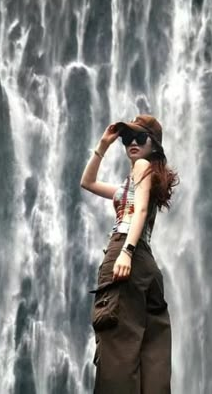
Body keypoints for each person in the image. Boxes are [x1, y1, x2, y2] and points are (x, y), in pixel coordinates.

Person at [81, 114, 179, 393]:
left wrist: (126, 251)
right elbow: (87, 183)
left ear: (154, 145)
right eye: (127, 139)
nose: (131, 143)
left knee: (118, 352)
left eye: (140, 138)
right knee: (152, 351)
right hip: (147, 267)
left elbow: (141, 211)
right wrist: (103, 145)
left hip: (127, 251)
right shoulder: (140, 181)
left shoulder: (142, 167)